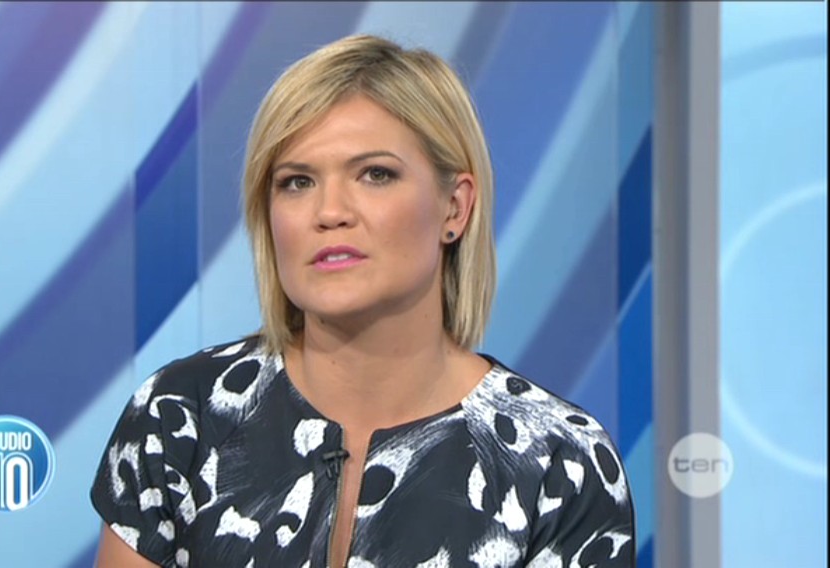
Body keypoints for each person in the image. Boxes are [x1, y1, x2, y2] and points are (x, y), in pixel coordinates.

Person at [90, 34, 635, 568]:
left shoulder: (558, 462)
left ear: (454, 207)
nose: (330, 212)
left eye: (375, 175)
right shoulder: (181, 416)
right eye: (297, 182)